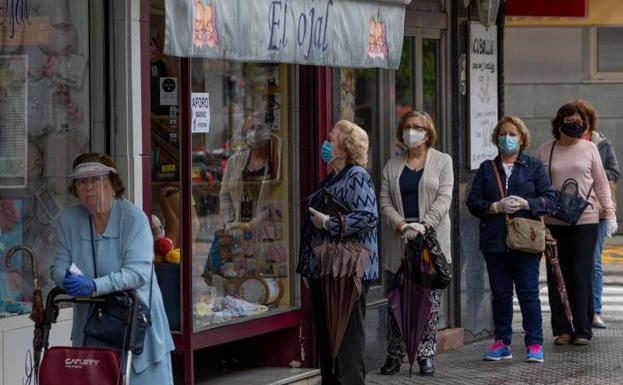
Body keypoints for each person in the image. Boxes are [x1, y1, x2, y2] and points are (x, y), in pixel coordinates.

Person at [50, 153, 175, 384]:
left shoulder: (134, 219)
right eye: (82, 182)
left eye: (96, 180)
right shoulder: (69, 219)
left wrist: (95, 285)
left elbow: (137, 273)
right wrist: (64, 279)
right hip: (92, 324)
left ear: (112, 185)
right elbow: (58, 265)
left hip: (135, 319)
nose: (88, 188)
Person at [467, 116, 555, 363]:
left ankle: (535, 343)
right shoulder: (487, 168)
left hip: (526, 240)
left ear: (522, 138)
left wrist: (528, 203)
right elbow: (473, 203)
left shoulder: (534, 167)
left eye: (513, 134)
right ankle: (502, 342)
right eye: (503, 133)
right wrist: (494, 206)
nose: (508, 138)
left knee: (528, 293)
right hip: (495, 240)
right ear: (496, 138)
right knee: (501, 293)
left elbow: (550, 199)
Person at [297, 120, 379, 385]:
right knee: (328, 338)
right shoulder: (332, 178)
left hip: (349, 271)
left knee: (347, 339)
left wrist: (331, 224)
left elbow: (369, 216)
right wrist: (308, 268)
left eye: (331, 139)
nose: (326, 144)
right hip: (327, 269)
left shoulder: (357, 176)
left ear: (345, 148)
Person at [378, 110, 453, 376]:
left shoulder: (443, 161)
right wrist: (401, 224)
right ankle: (394, 354)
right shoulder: (392, 165)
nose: (413, 131)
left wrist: (424, 225)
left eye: (418, 127)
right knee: (396, 300)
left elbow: (444, 198)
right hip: (399, 239)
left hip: (429, 242)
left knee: (429, 302)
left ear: (428, 132)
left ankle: (425, 354)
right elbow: (384, 200)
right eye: (408, 126)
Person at [536, 102, 617, 346]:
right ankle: (562, 328)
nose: (575, 126)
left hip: (586, 219)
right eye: (570, 122)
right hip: (553, 220)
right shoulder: (545, 150)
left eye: (579, 122)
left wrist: (610, 214)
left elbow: (602, 183)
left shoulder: (590, 148)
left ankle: (582, 328)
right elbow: (538, 185)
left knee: (582, 274)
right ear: (559, 124)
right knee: (557, 274)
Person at [574, 100, 620, 329]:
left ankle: (595, 312)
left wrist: (592, 173)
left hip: (598, 211)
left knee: (594, 261)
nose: (577, 124)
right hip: (571, 212)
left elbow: (614, 171)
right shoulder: (563, 144)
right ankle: (575, 312)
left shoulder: (601, 144)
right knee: (572, 262)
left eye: (581, 120)